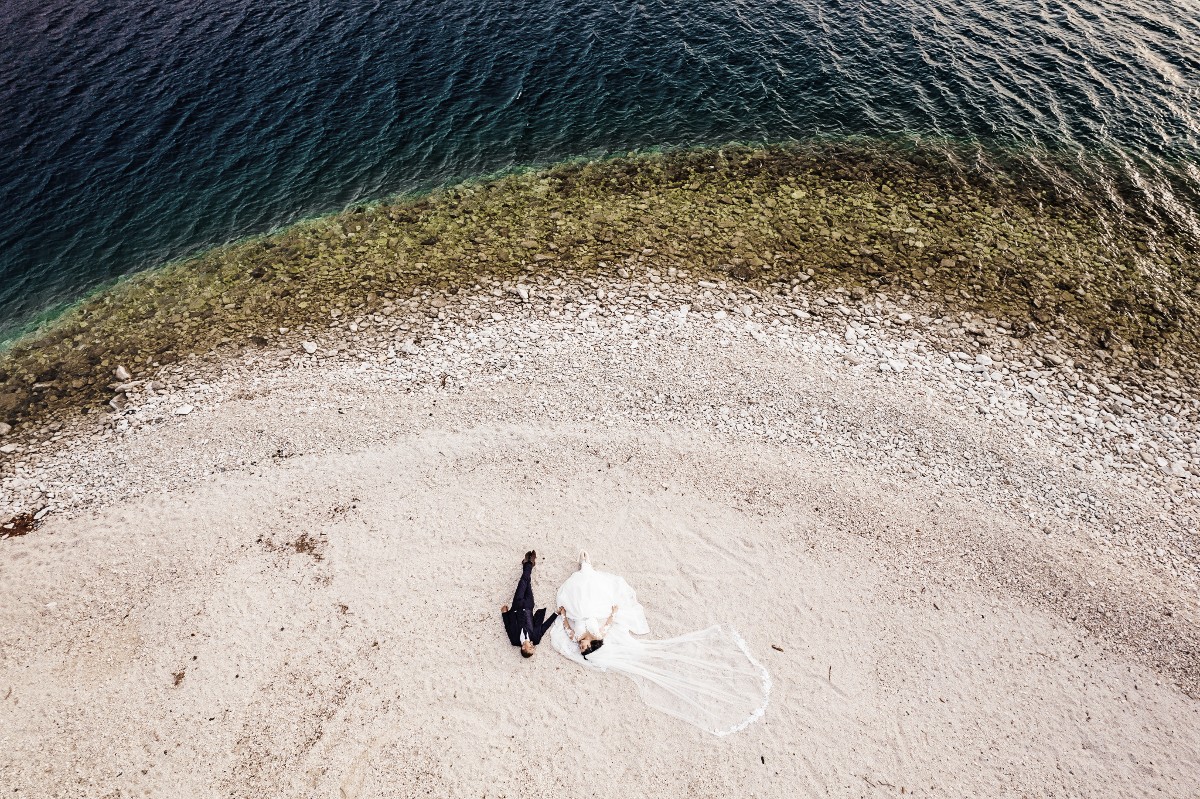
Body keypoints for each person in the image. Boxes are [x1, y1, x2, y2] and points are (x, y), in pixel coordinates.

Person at [549, 550, 771, 736]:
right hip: (591, 607)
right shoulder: (599, 635)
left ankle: (586, 566)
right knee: (592, 586)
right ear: (592, 644)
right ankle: (586, 566)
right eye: (584, 647)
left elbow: (569, 626)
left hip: (579, 607)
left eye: (581, 647)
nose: (580, 646)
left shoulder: (580, 635)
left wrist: (565, 614)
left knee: (585, 586)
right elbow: (605, 624)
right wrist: (612, 614)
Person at [500, 550, 557, 658]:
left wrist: (504, 614)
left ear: (523, 648)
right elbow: (545, 626)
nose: (533, 647)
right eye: (533, 648)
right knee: (527, 583)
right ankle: (528, 564)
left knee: (523, 582)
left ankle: (529, 563)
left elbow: (507, 626)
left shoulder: (514, 640)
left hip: (516, 606)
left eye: (530, 648)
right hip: (529, 605)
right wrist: (556, 614)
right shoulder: (535, 638)